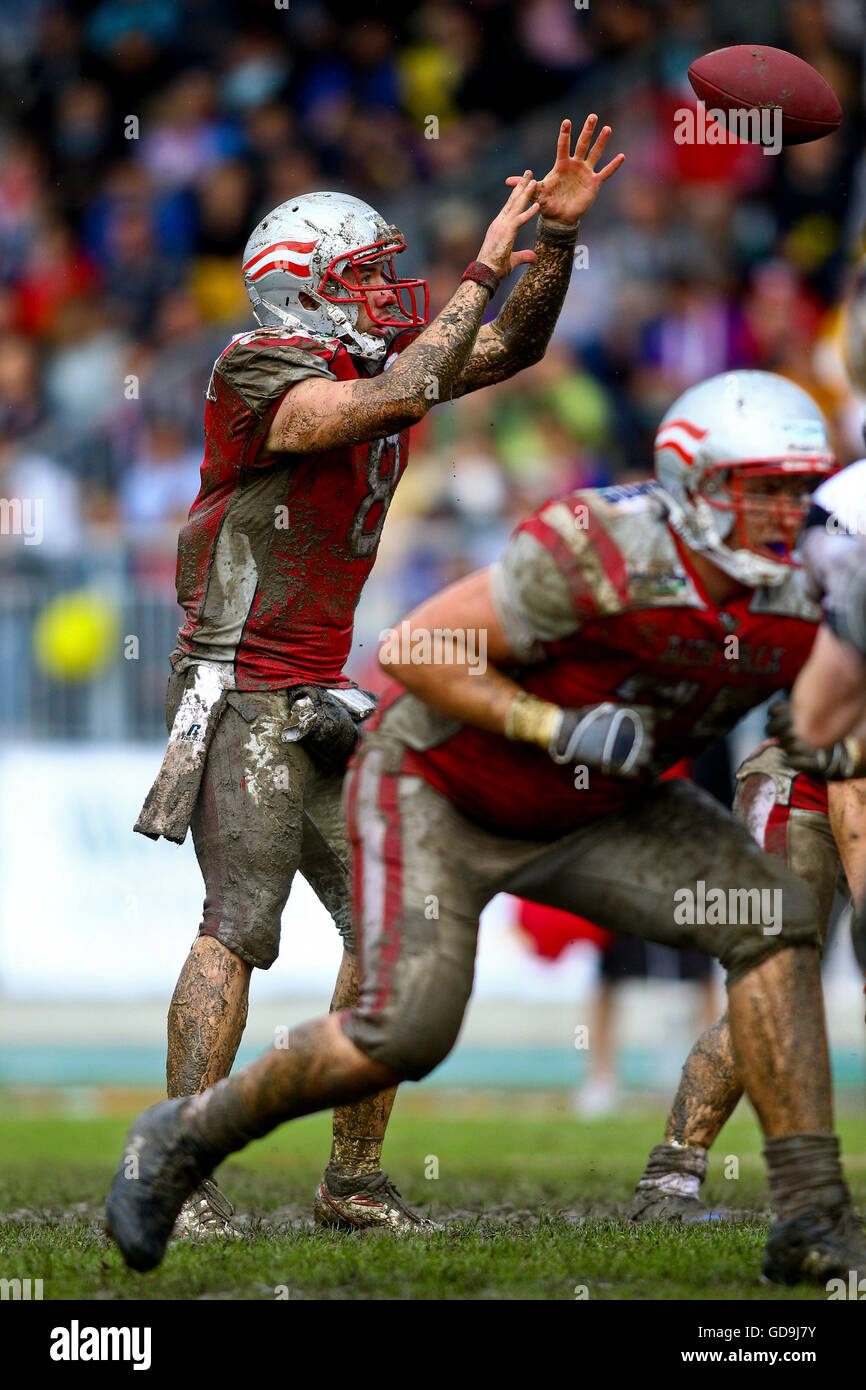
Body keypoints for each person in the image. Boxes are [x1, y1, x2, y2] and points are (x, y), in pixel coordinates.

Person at [107, 368, 866, 1284]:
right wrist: (553, 726)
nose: (790, 514)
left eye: (801, 488)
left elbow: (820, 728)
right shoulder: (604, 549)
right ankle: (185, 1138)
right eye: (765, 489)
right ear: (696, 482)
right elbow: (412, 648)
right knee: (406, 1032)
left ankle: (812, 1213)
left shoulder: (813, 584)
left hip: (597, 803)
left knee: (773, 917)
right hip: (443, 787)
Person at [131, 116, 624, 1236]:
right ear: (298, 290)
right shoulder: (257, 366)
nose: (384, 294)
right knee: (239, 923)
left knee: (393, 927)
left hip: (314, 692)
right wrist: (483, 265)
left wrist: (547, 243)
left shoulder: (372, 360)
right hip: (242, 688)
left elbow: (510, 353)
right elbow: (388, 401)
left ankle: (349, 1181)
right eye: (361, 277)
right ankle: (181, 1172)